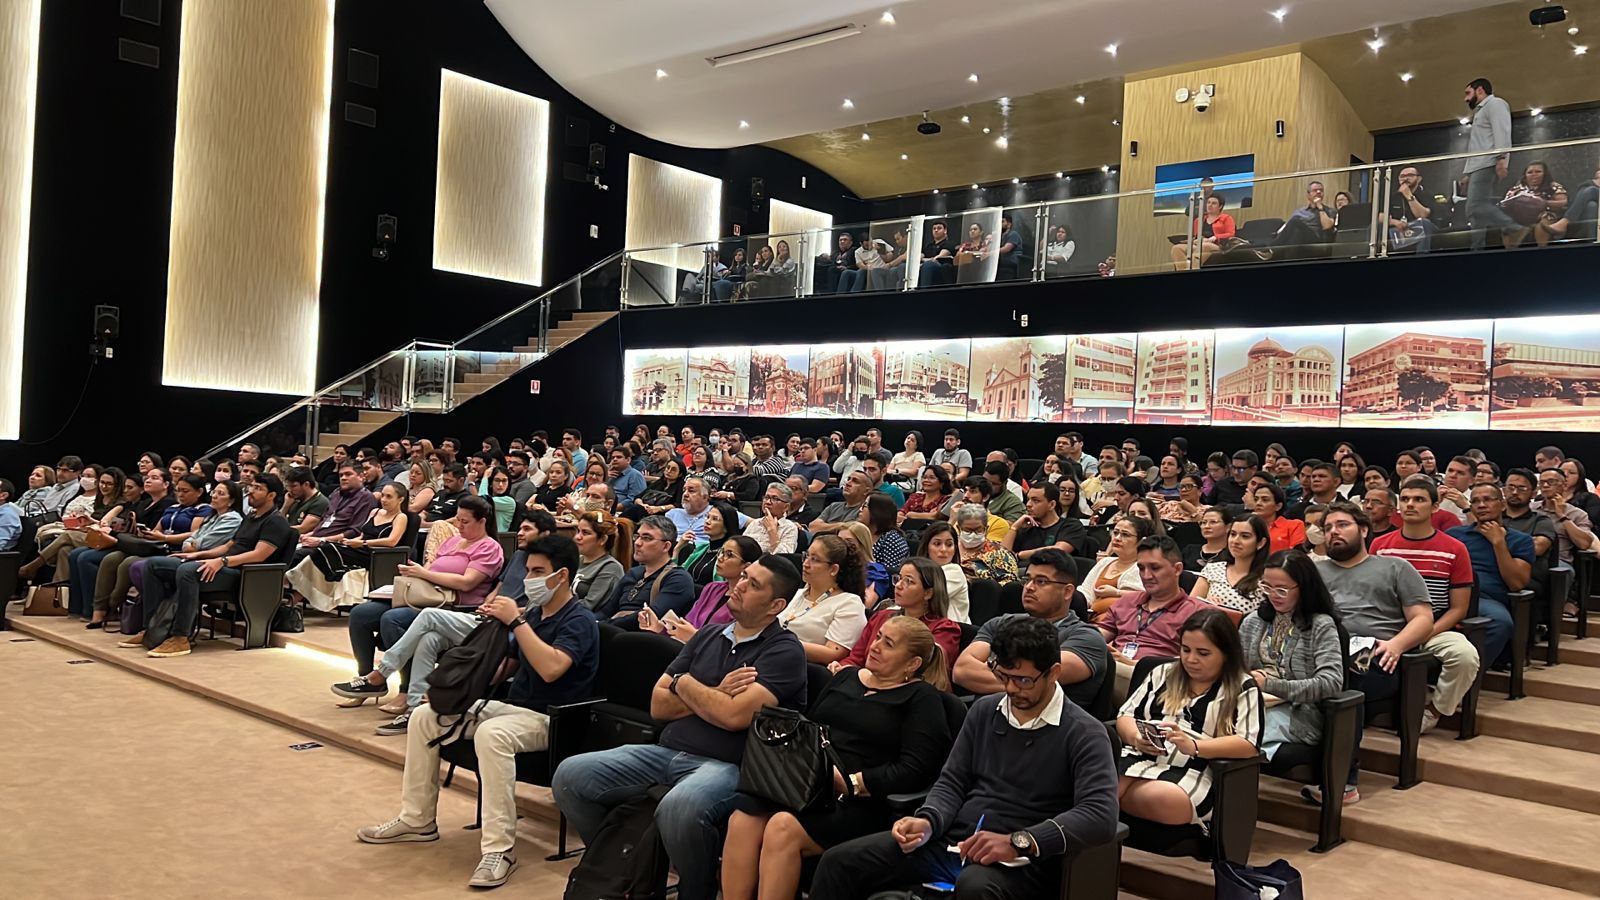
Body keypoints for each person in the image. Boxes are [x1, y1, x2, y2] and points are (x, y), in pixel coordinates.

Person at [808, 616, 1119, 900]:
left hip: (1024, 860)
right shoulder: (985, 710)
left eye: (1024, 680)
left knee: (975, 886)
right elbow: (953, 781)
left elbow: (1100, 814)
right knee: (839, 862)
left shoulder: (1084, 732)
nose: (1011, 689)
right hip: (954, 843)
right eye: (1004, 676)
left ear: (1054, 673)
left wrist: (1019, 841)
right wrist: (928, 820)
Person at [553, 555, 808, 900]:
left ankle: (696, 889)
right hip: (666, 750)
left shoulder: (784, 651)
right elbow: (658, 705)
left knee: (681, 806)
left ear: (776, 605)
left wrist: (684, 683)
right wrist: (716, 692)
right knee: (570, 776)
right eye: (744, 576)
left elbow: (734, 717)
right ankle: (627, 866)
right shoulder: (709, 635)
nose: (740, 585)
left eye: (754, 584)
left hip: (729, 765)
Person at [356, 534, 598, 888]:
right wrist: (456, 690)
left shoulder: (579, 619)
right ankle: (417, 820)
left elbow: (551, 668)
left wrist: (516, 623)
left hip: (554, 719)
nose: (528, 578)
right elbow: (505, 667)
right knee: (426, 717)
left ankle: (500, 849)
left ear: (561, 576)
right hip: (513, 708)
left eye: (538, 571)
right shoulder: (535, 614)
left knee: (491, 734)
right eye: (528, 570)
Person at [723, 614, 952, 900]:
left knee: (782, 827)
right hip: (809, 786)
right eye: (878, 637)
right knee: (743, 818)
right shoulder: (846, 676)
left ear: (912, 664)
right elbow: (808, 729)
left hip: (863, 801)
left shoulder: (922, 699)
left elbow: (916, 769)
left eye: (889, 644)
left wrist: (852, 782)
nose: (875, 646)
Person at [1311, 501, 1435, 804]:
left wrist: (1397, 644)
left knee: (1344, 685)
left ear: (1364, 530)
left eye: (1342, 525)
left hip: (1375, 656)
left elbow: (1423, 619)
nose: (1333, 532)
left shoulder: (1395, 568)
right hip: (1321, 650)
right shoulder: (1314, 571)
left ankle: (1343, 781)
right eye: (1328, 528)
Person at [1115, 608, 1262, 830]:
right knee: (1096, 779)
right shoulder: (1162, 672)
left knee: (1156, 797)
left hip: (1195, 768)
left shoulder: (1243, 686)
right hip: (1139, 755)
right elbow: (1125, 715)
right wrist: (1136, 737)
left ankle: (1107, 804)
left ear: (1226, 653)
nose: (1191, 659)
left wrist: (1194, 746)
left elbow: (1248, 743)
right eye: (1185, 650)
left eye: (1203, 653)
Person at [124, 474, 297, 658]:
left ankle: (181, 637)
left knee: (188, 571)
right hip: (226, 565)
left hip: (245, 575)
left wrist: (222, 561)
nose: (251, 492)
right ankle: (151, 630)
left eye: (258, 488)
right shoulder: (251, 516)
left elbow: (259, 555)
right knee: (153, 565)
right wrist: (198, 555)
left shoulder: (275, 521)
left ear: (271, 495)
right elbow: (229, 545)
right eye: (252, 487)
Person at [953, 549, 1109, 708]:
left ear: (1067, 591)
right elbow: (962, 671)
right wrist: (1021, 680)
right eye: (1027, 579)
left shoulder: (1086, 638)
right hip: (988, 718)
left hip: (1048, 722)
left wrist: (993, 666)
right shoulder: (1001, 623)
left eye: (1041, 581)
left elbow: (1039, 679)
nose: (1029, 587)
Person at [1240, 550, 1347, 761]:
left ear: (1304, 588)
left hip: (1299, 714)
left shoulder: (1320, 625)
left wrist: (1269, 685)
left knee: (1240, 737)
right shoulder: (1253, 621)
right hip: (1252, 704)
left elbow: (1331, 683)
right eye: (1266, 587)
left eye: (1281, 590)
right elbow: (1237, 669)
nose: (1272, 595)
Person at [1097, 536, 1209, 696]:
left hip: (1161, 682)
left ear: (1177, 569)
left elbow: (1197, 662)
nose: (1146, 575)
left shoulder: (1197, 612)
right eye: (1141, 568)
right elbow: (1098, 636)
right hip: (1113, 671)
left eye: (1155, 568)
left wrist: (1136, 664)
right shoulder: (1127, 601)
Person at [284, 482, 411, 613]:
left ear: (400, 499)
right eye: (383, 495)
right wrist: (351, 541)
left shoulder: (401, 517)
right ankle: (307, 583)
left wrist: (363, 543)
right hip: (358, 548)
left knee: (326, 548)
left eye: (389, 496)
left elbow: (392, 541)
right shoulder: (375, 512)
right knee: (324, 550)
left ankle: (298, 579)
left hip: (374, 555)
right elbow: (362, 535)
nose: (383, 499)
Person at [1448, 483, 1531, 668]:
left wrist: (1498, 543)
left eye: (1487, 500)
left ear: (1503, 505)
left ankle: (1470, 675)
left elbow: (1517, 583)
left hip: (1485, 599)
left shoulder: (1520, 540)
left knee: (1501, 623)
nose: (1481, 505)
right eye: (1475, 501)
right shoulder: (1455, 534)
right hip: (1450, 594)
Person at [835, 556, 961, 673]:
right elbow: (856, 658)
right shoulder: (882, 616)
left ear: (928, 593)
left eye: (909, 581)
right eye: (899, 578)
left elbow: (926, 673)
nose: (899, 586)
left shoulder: (944, 629)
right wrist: (842, 668)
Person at [779, 534, 868, 664]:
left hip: (803, 668)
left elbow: (833, 653)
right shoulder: (797, 593)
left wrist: (779, 643)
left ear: (833, 569)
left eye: (815, 559)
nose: (805, 564)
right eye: (806, 556)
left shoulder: (849, 603)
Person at [598, 515, 697, 627]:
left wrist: (604, 625)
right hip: (612, 629)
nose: (637, 543)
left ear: (666, 546)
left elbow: (649, 617)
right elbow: (605, 611)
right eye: (637, 536)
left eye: (646, 538)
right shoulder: (633, 573)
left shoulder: (678, 579)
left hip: (640, 634)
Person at [1461, 77, 1517, 250]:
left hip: (1487, 163)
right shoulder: (1480, 112)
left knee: (1475, 206)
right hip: (1478, 165)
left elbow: (1502, 131)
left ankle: (1514, 228)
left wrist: (1501, 158)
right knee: (1475, 212)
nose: (1465, 98)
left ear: (1480, 90)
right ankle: (1477, 248)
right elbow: (1476, 145)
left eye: (1468, 93)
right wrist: (1468, 173)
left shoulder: (1495, 104)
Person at [1002, 482, 1087, 574]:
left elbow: (1058, 550)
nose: (1028, 504)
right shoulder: (1025, 527)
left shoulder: (1070, 525)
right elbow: (1002, 558)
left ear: (1052, 505)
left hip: (1050, 574)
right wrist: (1014, 528)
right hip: (1017, 574)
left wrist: (1020, 555)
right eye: (1028, 499)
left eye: (1035, 501)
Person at [1194, 514, 1269, 618]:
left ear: (1261, 543)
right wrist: (1205, 605)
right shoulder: (1213, 569)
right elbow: (1190, 606)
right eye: (1233, 534)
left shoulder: (1267, 579)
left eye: (1245, 536)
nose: (1235, 541)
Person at [1084, 517, 1151, 621]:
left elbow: (1145, 598)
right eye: (1115, 533)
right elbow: (1085, 591)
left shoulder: (1143, 568)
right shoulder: (1104, 562)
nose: (1117, 538)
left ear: (1141, 541)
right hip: (1089, 618)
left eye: (1125, 535)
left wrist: (1117, 592)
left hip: (1121, 623)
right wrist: (1083, 605)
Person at [1533, 466, 1596, 565]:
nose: (1545, 485)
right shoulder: (1531, 508)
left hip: (1559, 561)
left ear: (1564, 485)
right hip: (1529, 556)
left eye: (1551, 482)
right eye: (1542, 482)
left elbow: (1584, 544)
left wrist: (1562, 516)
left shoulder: (1577, 514)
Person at [1501, 160, 1568, 248]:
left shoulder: (1553, 186)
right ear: (1525, 175)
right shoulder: (1516, 189)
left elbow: (1563, 202)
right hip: (1521, 216)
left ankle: (1542, 250)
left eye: (1538, 172)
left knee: (1542, 225)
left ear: (1545, 174)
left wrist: (1544, 203)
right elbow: (1505, 204)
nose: (1534, 174)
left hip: (1545, 214)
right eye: (1530, 172)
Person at [916, 522, 971, 625]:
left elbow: (920, 598)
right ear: (927, 547)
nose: (943, 549)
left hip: (951, 629)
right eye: (937, 544)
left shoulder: (955, 572)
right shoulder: (916, 570)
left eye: (949, 545)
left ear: (955, 548)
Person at [953, 503, 1019, 586]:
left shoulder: (999, 554)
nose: (973, 534)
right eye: (967, 530)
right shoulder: (949, 548)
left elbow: (1010, 585)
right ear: (959, 529)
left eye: (978, 530)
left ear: (986, 529)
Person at [1171, 193, 1236, 270]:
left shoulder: (1226, 218)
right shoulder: (1198, 220)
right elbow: (1195, 236)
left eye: (1214, 203)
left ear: (1220, 206)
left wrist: (1214, 237)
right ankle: (1183, 272)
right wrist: (1195, 240)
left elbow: (1231, 234)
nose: (1210, 205)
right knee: (1177, 248)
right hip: (1199, 245)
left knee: (1203, 246)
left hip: (1217, 246)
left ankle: (1193, 270)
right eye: (1208, 202)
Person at [1387, 166, 1440, 253]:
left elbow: (1422, 215)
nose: (1405, 178)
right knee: (1375, 227)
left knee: (1424, 223)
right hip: (1400, 229)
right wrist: (1395, 222)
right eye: (1402, 176)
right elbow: (1380, 216)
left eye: (1410, 175)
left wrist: (1408, 195)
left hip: (1422, 228)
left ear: (1419, 179)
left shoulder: (1426, 194)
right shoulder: (1394, 197)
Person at [1273, 181, 1335, 246]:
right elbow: (1287, 227)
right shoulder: (1299, 211)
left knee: (1295, 220)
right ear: (1308, 195)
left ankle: (1272, 248)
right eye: (1315, 190)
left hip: (1316, 241)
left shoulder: (1330, 210)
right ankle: (1275, 249)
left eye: (1321, 190)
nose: (1319, 192)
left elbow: (1327, 226)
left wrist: (1320, 207)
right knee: (1295, 232)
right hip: (1299, 241)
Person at [812, 469, 872, 536]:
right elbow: (813, 527)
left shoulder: (864, 512)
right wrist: (841, 525)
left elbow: (852, 532)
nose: (848, 483)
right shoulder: (834, 506)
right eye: (848, 479)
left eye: (855, 481)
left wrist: (825, 526)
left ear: (866, 491)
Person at [1250, 482, 1306, 554]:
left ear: (1278, 506)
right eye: (1256, 499)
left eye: (1265, 500)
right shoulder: (1248, 526)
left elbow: (1296, 555)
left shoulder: (1294, 525)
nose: (1258, 503)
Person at [860, 493, 908, 569]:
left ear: (877, 511)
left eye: (864, 506)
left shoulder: (892, 539)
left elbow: (891, 571)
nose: (860, 509)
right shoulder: (860, 533)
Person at [1183, 507, 1230, 572]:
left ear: (1228, 527)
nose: (1206, 526)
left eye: (1213, 522)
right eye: (1204, 522)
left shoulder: (1232, 554)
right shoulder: (1189, 550)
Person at [916, 220, 956, 288]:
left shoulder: (949, 244)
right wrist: (923, 259)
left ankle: (924, 291)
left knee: (929, 264)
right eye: (934, 228)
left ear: (945, 230)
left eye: (939, 228)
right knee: (902, 267)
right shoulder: (929, 246)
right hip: (926, 266)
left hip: (940, 268)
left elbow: (937, 258)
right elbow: (918, 258)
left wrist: (924, 260)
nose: (936, 230)